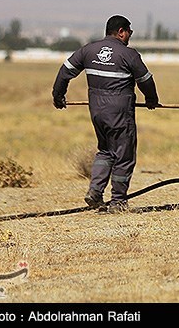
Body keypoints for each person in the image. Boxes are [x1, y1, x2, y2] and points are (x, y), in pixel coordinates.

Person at [52, 15, 159, 214]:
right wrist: (152, 100)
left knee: (105, 151)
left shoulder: (88, 50)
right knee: (124, 155)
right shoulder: (129, 55)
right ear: (121, 32)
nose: (130, 36)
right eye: (129, 32)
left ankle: (95, 192)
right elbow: (146, 81)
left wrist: (58, 96)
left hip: (97, 112)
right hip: (120, 112)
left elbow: (65, 71)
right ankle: (118, 201)